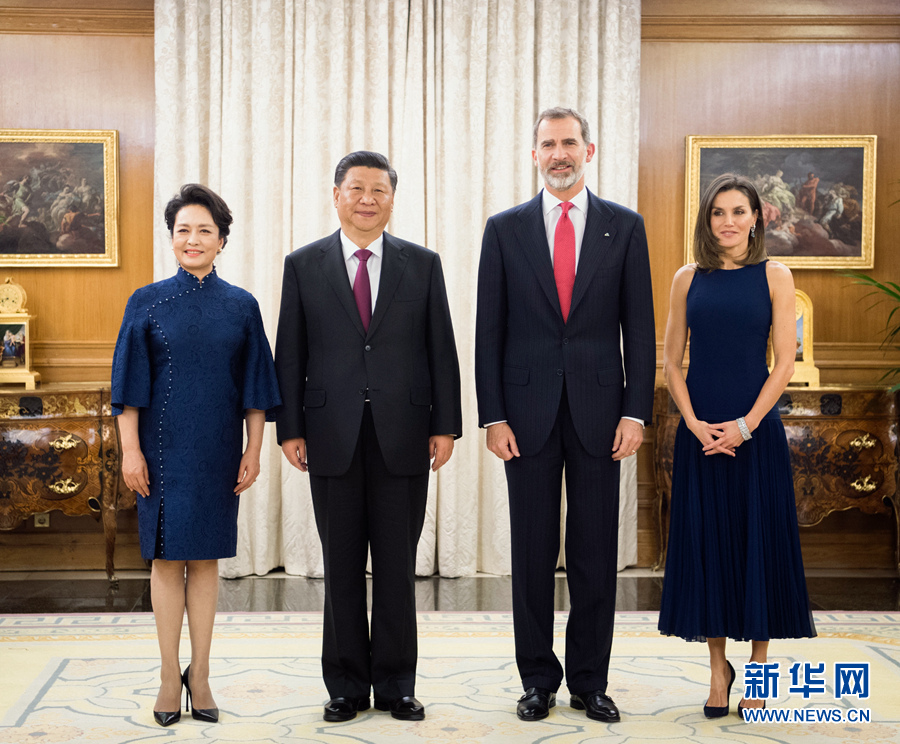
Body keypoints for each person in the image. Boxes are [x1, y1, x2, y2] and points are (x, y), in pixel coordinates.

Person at [475, 107, 656, 723]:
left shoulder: (624, 227)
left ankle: (589, 681)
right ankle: (536, 681)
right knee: (531, 553)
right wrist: (493, 416)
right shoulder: (504, 229)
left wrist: (635, 413)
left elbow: (640, 330)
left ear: (589, 151)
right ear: (534, 154)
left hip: (602, 415)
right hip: (523, 417)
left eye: (569, 142)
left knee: (594, 553)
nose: (559, 153)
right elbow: (488, 331)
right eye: (548, 144)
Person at [275, 151, 462, 723]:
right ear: (336, 195)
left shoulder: (421, 264)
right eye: (356, 188)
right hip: (329, 434)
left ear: (391, 199)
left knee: (398, 566)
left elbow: (441, 348)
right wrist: (290, 429)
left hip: (404, 433)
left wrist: (445, 425)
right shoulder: (303, 264)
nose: (367, 199)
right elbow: (291, 353)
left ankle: (397, 684)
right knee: (342, 565)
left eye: (378, 190)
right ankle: (346, 686)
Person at [111, 183, 281, 727]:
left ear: (222, 240)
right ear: (171, 238)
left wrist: (254, 449)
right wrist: (130, 453)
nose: (193, 239)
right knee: (166, 560)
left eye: (204, 230)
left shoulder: (242, 305)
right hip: (159, 453)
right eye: (183, 229)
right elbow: (127, 388)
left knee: (206, 560)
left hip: (218, 450)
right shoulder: (145, 301)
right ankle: (168, 676)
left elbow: (256, 387)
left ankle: (200, 674)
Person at [657, 173, 816, 720]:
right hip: (701, 436)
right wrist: (695, 424)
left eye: (738, 212)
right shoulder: (687, 278)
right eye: (718, 212)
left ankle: (760, 671)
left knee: (758, 547)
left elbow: (785, 363)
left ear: (756, 218)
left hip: (755, 434)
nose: (728, 221)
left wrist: (745, 426)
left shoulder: (776, 275)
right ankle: (717, 672)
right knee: (710, 547)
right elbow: (671, 363)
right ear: (707, 219)